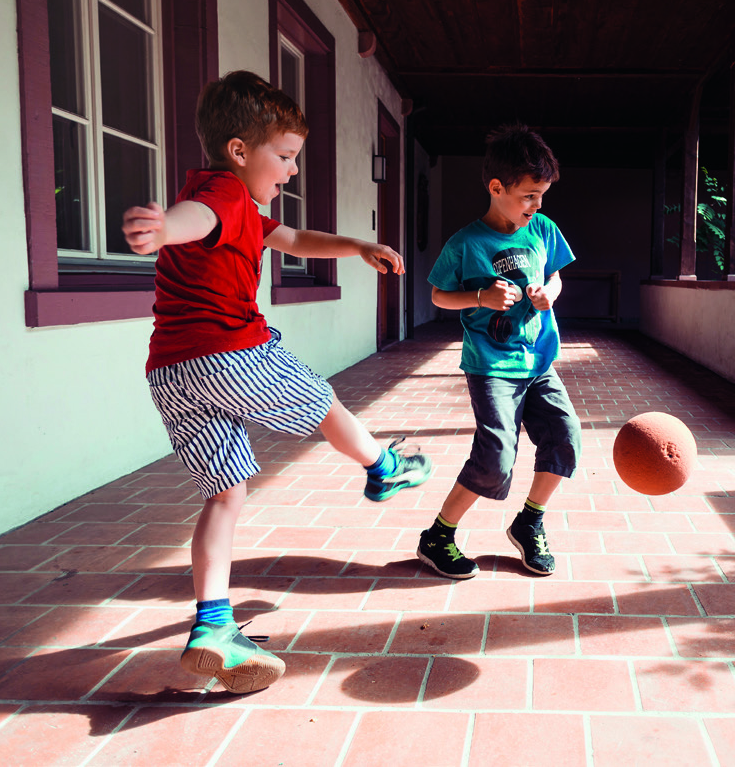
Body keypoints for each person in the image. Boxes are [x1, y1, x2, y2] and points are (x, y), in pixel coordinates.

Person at [121, 70, 431, 694]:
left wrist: (355, 245)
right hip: (230, 354)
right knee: (322, 399)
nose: (290, 171)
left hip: (171, 372)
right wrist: (161, 230)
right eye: (285, 157)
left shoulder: (238, 205)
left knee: (225, 494)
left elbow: (292, 238)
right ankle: (382, 466)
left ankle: (212, 626)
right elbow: (193, 219)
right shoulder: (223, 197)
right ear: (240, 152)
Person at [419, 123, 580, 579]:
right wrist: (479, 298)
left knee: (565, 437)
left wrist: (550, 290)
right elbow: (437, 295)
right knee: (495, 457)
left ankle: (530, 522)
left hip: (540, 360)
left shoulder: (542, 229)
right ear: (496, 188)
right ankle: (438, 536)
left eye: (542, 194)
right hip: (491, 366)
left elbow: (558, 274)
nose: (537, 204)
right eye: (529, 195)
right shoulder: (466, 244)